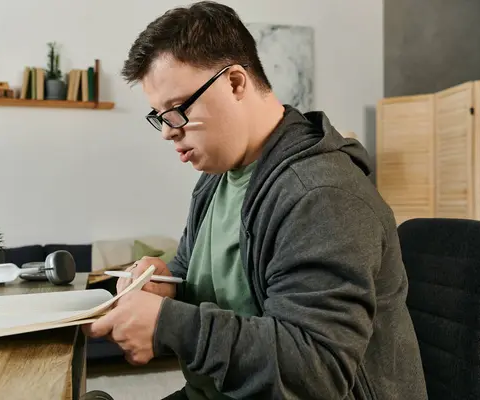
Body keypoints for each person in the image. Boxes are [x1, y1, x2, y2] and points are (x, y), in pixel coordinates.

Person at [82, 1, 428, 399]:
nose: (167, 132)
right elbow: (198, 265)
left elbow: (317, 372)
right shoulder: (218, 176)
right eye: (159, 116)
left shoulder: (322, 197)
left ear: (234, 83)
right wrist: (165, 282)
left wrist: (168, 325)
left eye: (176, 110)